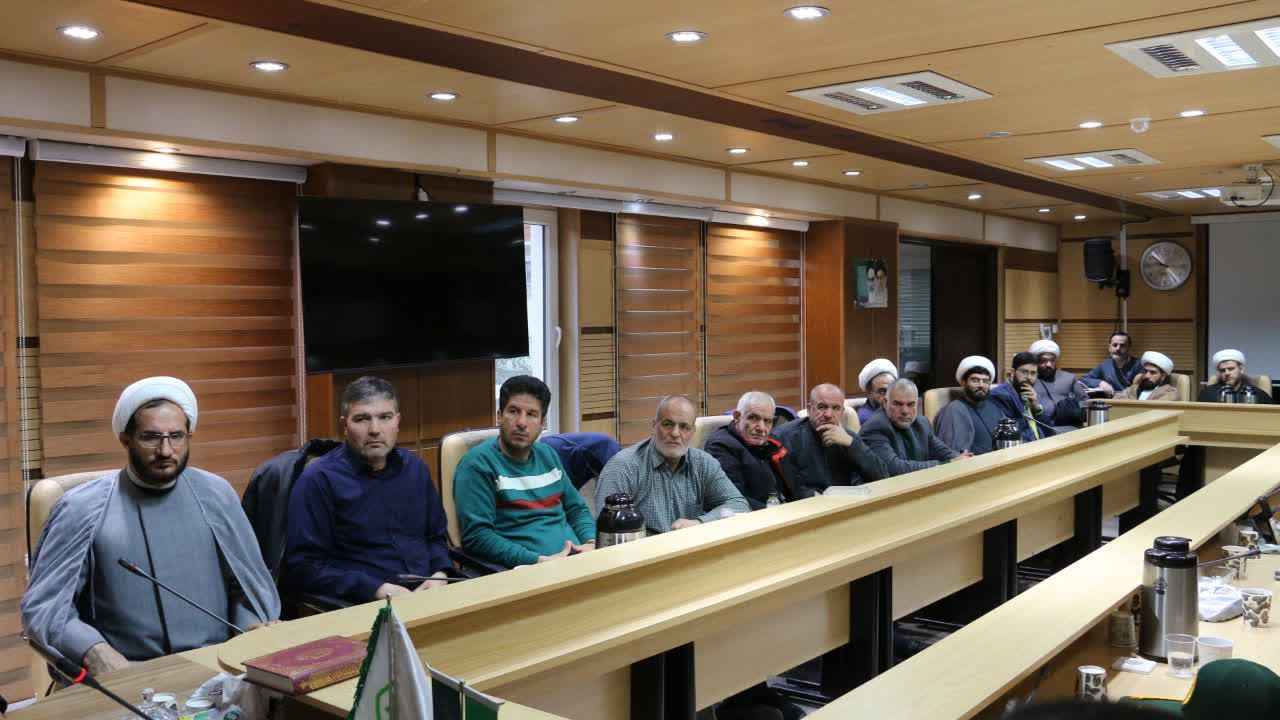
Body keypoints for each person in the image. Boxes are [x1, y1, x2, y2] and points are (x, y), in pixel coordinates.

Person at [22, 377, 280, 672]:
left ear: (189, 436)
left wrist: (249, 632)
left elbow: (248, 589)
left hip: (217, 667)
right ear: (126, 440)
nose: (166, 450)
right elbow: (45, 608)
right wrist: (95, 653)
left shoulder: (217, 494)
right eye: (151, 437)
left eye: (176, 436)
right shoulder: (80, 508)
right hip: (127, 674)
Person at [284, 376, 452, 603]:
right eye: (362, 419)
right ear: (344, 426)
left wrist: (440, 574)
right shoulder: (318, 481)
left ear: (398, 421)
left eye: (385, 417)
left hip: (430, 594)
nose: (374, 429)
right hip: (365, 603)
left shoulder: (416, 468)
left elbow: (435, 537)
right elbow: (304, 566)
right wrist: (375, 589)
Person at [455, 375, 597, 568]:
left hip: (576, 563)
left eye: (531, 414)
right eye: (514, 411)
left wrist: (590, 543)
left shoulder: (548, 455)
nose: (521, 422)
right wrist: (536, 560)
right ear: (499, 416)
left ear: (542, 423)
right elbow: (478, 536)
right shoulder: (478, 465)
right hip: (526, 571)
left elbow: (577, 509)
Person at [594, 395, 749, 533]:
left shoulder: (703, 463)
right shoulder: (624, 467)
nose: (675, 433)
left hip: (690, 549)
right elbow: (607, 528)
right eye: (668, 424)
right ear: (654, 425)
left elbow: (739, 504)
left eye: (684, 427)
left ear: (692, 431)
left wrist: (700, 522)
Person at [773, 383, 888, 498]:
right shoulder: (785, 437)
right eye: (822, 407)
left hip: (846, 502)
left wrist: (852, 444)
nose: (828, 414)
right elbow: (788, 487)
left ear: (842, 412)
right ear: (809, 409)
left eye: (836, 408)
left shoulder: (848, 436)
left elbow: (882, 476)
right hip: (808, 505)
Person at [860, 379, 967, 476]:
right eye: (897, 404)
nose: (905, 411)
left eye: (911, 404)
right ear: (885, 403)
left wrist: (962, 459)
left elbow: (943, 452)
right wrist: (947, 464)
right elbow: (894, 469)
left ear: (917, 404)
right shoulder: (874, 427)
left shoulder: (922, 423)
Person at [704, 391, 790, 509]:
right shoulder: (720, 446)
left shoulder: (770, 443)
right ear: (737, 417)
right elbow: (732, 499)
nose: (761, 428)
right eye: (753, 418)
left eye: (767, 421)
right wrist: (776, 511)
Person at [934, 356, 1003, 455]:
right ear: (963, 384)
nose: (981, 385)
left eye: (985, 381)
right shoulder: (954, 410)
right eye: (975, 380)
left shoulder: (995, 406)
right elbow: (955, 455)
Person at [990, 352, 1058, 443]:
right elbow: (1014, 434)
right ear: (1013, 372)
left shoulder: (1030, 394)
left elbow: (1050, 432)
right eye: (1024, 372)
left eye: (1033, 373)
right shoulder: (1001, 395)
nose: (1029, 377)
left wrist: (1036, 407)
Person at [1029, 339, 1087, 431]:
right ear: (1035, 361)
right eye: (1044, 360)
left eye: (1052, 360)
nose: (1049, 364)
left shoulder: (1069, 378)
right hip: (1042, 429)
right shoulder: (1029, 381)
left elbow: (1085, 401)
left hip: (1072, 428)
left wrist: (1072, 410)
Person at [1080, 331, 1142, 397]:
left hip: (1130, 400)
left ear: (1129, 347)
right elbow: (1083, 379)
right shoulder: (1105, 365)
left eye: (1122, 345)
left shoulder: (1139, 364)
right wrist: (1100, 383)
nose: (1118, 348)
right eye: (1115, 345)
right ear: (1110, 347)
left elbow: (1141, 389)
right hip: (1110, 401)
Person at [1199, 349, 1273, 403]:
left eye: (1231, 369)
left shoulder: (1258, 394)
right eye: (1222, 370)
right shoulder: (1207, 393)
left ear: (1241, 369)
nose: (1227, 373)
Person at [1115, 351, 1181, 401]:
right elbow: (1116, 399)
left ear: (1163, 376)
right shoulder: (1134, 389)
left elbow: (1153, 410)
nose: (1147, 376)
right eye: (1145, 371)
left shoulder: (1169, 392)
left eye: (1153, 372)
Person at [856, 359, 898, 425]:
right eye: (882, 392)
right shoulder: (867, 418)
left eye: (891, 390)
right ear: (868, 392)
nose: (887, 397)